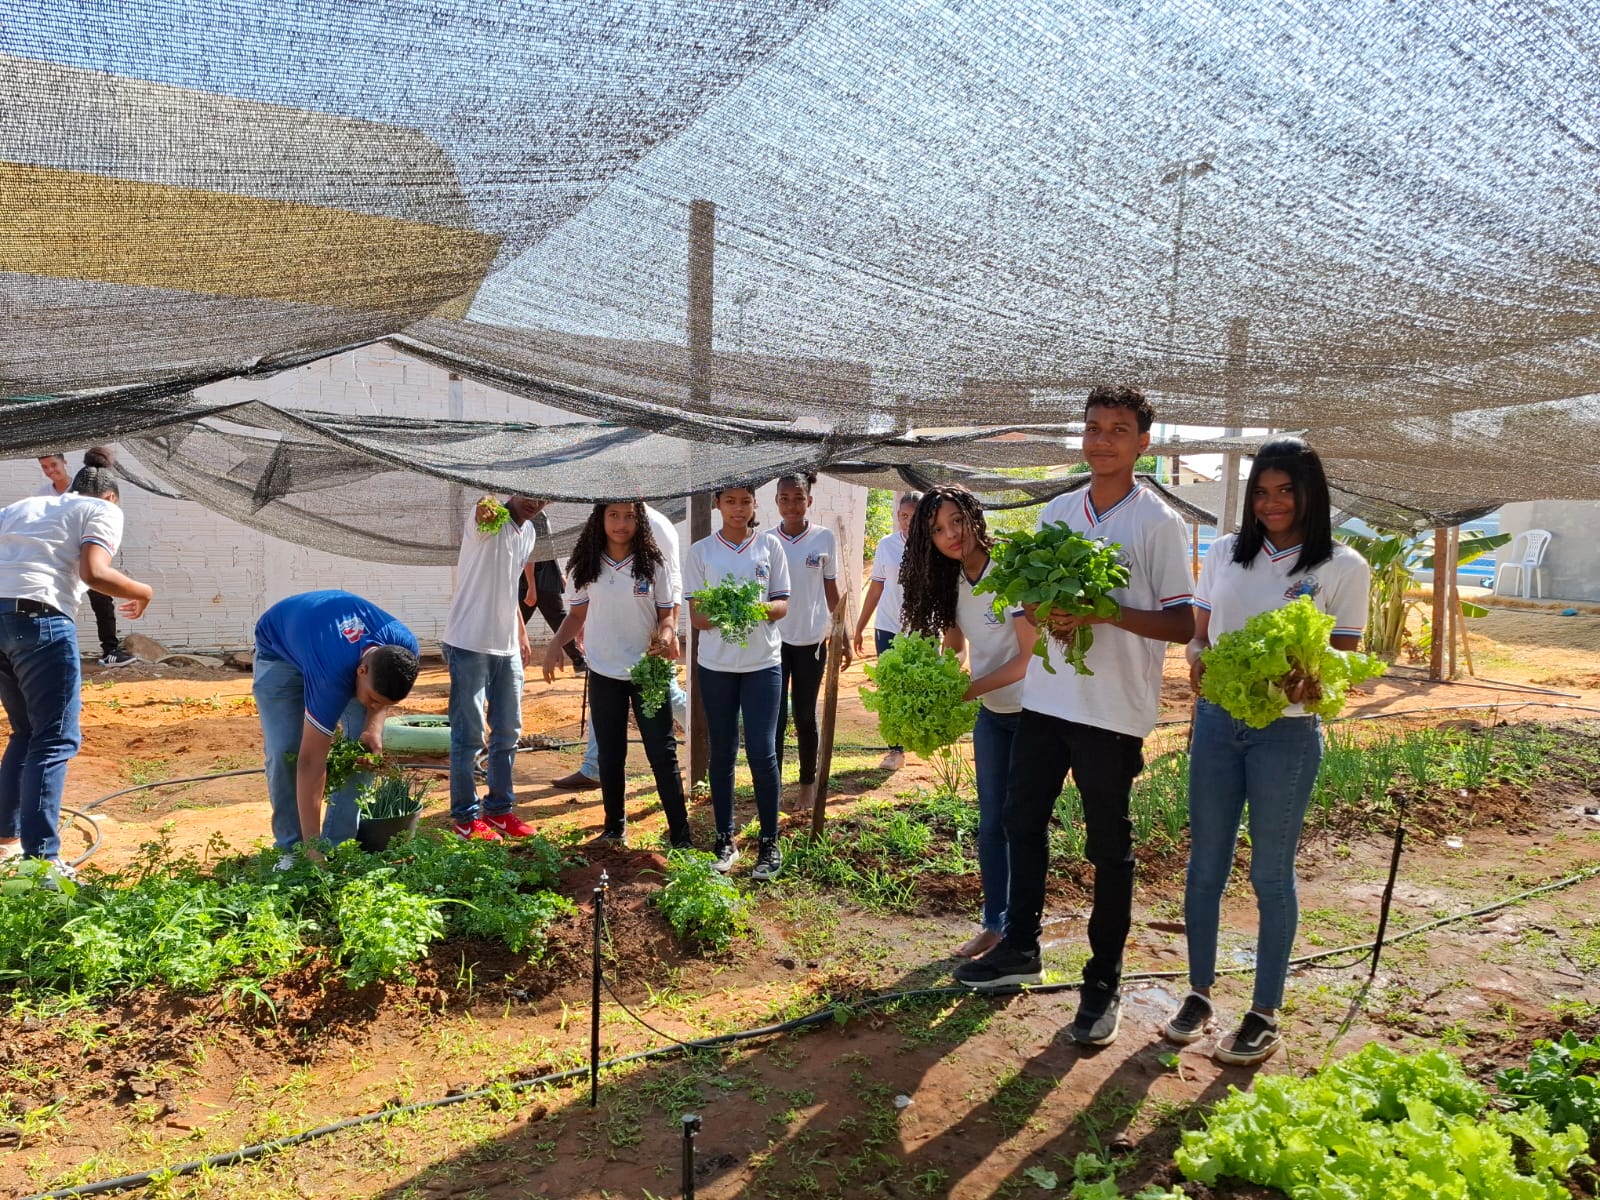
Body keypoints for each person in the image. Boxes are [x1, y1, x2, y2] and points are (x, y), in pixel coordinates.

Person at [955, 385, 1195, 1051]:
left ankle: (1102, 983)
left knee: (1106, 848)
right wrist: (1045, 614)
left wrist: (1104, 613)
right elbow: (1029, 600)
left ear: (1143, 442)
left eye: (1119, 429)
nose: (1102, 440)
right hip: (1048, 698)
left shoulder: (1158, 523)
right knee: (1019, 822)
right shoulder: (1060, 509)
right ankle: (1022, 948)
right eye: (1093, 427)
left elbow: (1182, 619)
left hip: (1112, 712)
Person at [1163, 438, 1368, 1065]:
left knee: (1270, 873)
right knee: (1205, 866)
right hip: (1220, 725)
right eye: (1262, 491)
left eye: (1286, 490)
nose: (1273, 503)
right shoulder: (1225, 551)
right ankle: (1198, 994)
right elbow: (1199, 637)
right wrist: (1198, 661)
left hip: (1289, 733)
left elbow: (1348, 657)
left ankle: (1263, 1011)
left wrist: (1313, 672)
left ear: (1311, 494)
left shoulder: (1342, 566)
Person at [901, 485, 1035, 959]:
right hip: (993, 715)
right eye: (938, 529)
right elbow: (956, 646)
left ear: (975, 516)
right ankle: (994, 925)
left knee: (1022, 824)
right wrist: (939, 679)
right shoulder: (951, 581)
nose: (951, 534)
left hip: (1033, 713)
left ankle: (1021, 930)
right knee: (990, 823)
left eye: (957, 520)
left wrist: (966, 691)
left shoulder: (1010, 571)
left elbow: (1026, 660)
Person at [0, 467, 153, 868]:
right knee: (52, 740)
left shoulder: (21, 507)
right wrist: (143, 591)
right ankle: (42, 864)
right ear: (111, 497)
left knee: (26, 732)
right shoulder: (101, 509)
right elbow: (94, 572)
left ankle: (7, 838)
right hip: (39, 618)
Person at [543, 502, 692, 848]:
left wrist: (667, 637)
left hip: (648, 672)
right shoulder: (585, 565)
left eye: (629, 516)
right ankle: (614, 829)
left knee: (662, 752)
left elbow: (667, 616)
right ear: (601, 519)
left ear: (639, 520)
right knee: (611, 754)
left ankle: (681, 834)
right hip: (604, 672)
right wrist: (555, 645)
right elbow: (577, 615)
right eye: (613, 515)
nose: (621, 523)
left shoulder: (654, 564)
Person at [253, 590, 419, 861]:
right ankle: (295, 850)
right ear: (361, 671)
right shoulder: (332, 678)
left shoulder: (404, 649)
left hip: (324, 640)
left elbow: (381, 699)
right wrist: (311, 849)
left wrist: (373, 727)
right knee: (286, 751)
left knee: (361, 754)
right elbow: (310, 762)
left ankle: (338, 847)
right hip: (279, 650)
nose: (375, 706)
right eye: (374, 700)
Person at [685, 482, 790, 878]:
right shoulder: (702, 552)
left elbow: (781, 604)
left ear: (753, 505)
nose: (738, 508)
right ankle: (725, 838)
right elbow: (697, 618)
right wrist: (729, 614)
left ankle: (769, 841)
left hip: (763, 664)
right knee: (723, 753)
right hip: (717, 665)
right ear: (717, 504)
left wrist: (755, 609)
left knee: (763, 754)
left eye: (745, 501)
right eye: (729, 501)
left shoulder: (770, 547)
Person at [443, 495, 543, 841]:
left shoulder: (528, 531)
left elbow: (508, 585)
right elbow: (485, 508)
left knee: (508, 732)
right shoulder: (488, 518)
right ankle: (465, 818)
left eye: (546, 496)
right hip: (469, 643)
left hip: (507, 647)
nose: (537, 502)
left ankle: (500, 811)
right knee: (469, 736)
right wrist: (487, 499)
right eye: (530, 492)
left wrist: (521, 631)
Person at [772, 473, 848, 813]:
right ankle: (770, 784)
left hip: (812, 641)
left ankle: (807, 783)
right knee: (773, 717)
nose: (792, 505)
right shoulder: (767, 542)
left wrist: (840, 632)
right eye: (785, 498)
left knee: (804, 715)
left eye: (798, 498)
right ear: (776, 502)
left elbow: (831, 589)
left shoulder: (824, 538)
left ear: (809, 502)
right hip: (773, 641)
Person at [853, 491, 922, 771]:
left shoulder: (938, 546)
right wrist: (859, 626)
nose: (908, 523)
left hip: (923, 629)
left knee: (919, 685)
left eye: (914, 517)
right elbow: (877, 587)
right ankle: (895, 750)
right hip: (888, 626)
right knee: (891, 688)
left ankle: (921, 738)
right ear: (897, 517)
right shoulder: (887, 545)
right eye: (903, 516)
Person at [519, 503, 586, 674]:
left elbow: (548, 549)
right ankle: (578, 661)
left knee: (556, 619)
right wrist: (532, 586)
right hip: (536, 579)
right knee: (556, 619)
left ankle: (578, 661)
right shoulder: (534, 514)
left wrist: (558, 573)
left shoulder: (538, 514)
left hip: (543, 576)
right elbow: (532, 553)